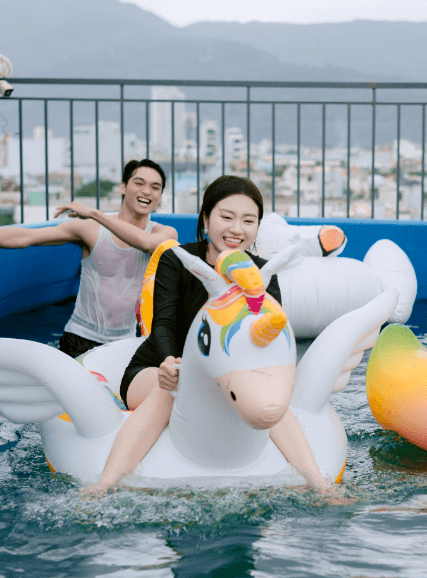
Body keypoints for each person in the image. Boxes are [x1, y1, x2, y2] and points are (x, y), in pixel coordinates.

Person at [86, 175, 327, 494]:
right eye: (226, 217)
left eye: (248, 220)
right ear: (206, 218)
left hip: (227, 375)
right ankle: (105, 484)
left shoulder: (261, 274)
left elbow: (267, 340)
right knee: (176, 387)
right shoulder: (178, 259)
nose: (236, 229)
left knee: (271, 405)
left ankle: (319, 484)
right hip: (159, 368)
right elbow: (163, 323)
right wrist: (169, 361)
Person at [0, 159, 178, 357]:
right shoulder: (90, 230)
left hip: (125, 343)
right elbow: (25, 237)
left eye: (155, 187)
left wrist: (94, 213)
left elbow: (146, 244)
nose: (147, 191)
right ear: (123, 187)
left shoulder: (164, 234)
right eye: (139, 183)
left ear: (160, 196)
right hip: (80, 339)